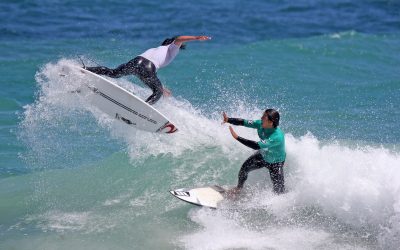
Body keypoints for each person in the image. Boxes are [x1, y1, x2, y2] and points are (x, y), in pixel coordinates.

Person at [85, 35, 211, 105]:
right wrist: (196, 37)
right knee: (158, 93)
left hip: (136, 62)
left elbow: (144, 72)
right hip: (148, 67)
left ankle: (85, 69)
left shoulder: (157, 49)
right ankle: (143, 108)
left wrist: (161, 86)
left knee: (114, 73)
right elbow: (178, 39)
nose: (179, 47)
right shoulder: (172, 48)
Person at [222, 109, 286, 196]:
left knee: (279, 192)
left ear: (271, 122)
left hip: (276, 163)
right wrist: (228, 120)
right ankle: (238, 189)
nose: (261, 118)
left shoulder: (277, 136)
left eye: (264, 117)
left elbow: (256, 146)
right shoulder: (260, 124)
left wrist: (237, 137)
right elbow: (244, 122)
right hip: (263, 156)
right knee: (244, 169)